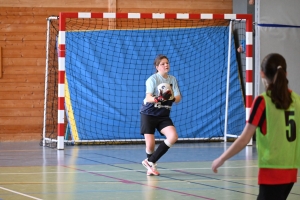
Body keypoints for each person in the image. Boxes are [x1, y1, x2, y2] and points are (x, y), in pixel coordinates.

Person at [211, 53, 300, 200]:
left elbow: (245, 138)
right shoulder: (297, 100)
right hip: (291, 171)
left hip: (272, 171)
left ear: (262, 73)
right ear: (286, 73)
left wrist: (220, 159)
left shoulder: (263, 101)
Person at [140, 54, 181, 176]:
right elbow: (148, 98)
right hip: (149, 113)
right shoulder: (152, 79)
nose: (166, 65)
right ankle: (150, 167)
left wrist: (171, 97)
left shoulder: (172, 79)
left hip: (163, 115)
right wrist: (159, 98)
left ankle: (150, 162)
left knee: (173, 136)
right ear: (157, 67)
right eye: (163, 64)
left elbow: (178, 98)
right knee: (150, 144)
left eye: (167, 63)